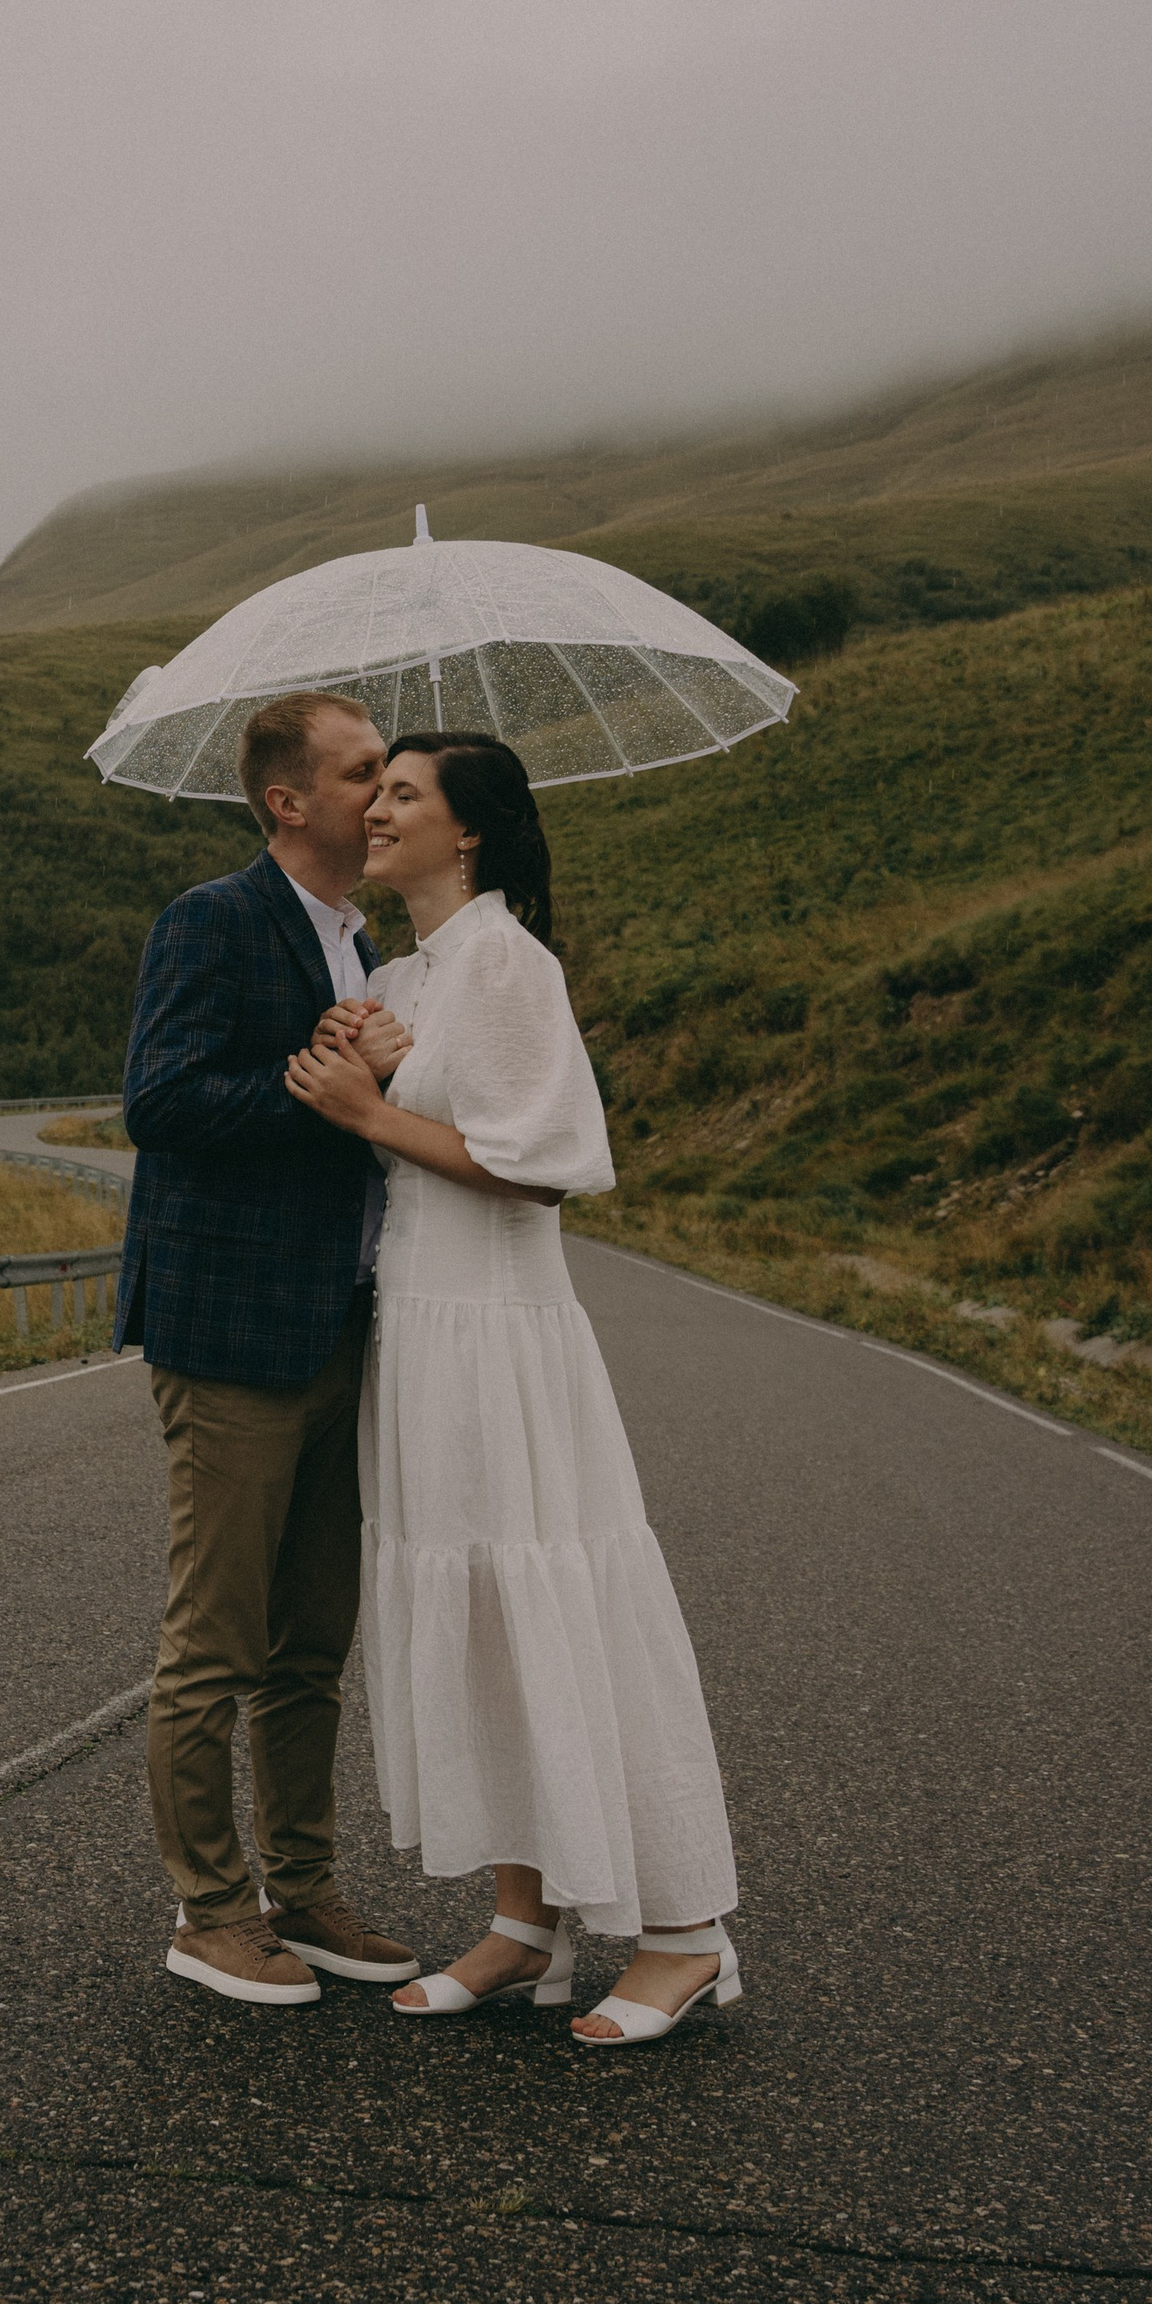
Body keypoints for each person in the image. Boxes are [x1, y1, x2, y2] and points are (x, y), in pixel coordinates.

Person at [282, 731, 742, 2050]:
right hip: (422, 1330)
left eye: (406, 794)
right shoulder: (407, 971)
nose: (376, 809)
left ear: (468, 832)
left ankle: (683, 1934)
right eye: (378, 789)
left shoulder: (510, 964)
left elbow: (543, 1164)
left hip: (502, 1323)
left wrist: (368, 1112)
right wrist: (366, 1054)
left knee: (558, 1595)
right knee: (477, 1609)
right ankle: (524, 1924)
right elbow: (427, 1110)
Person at [117, 691, 423, 2008]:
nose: (388, 789)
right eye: (363, 772)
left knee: (312, 1643)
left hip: (345, 1321)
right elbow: (163, 1097)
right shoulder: (216, 918)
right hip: (233, 1333)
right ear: (287, 800)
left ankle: (304, 1887)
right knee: (217, 1641)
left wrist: (380, 1078)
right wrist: (325, 1076)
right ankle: (209, 1911)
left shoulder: (372, 945)